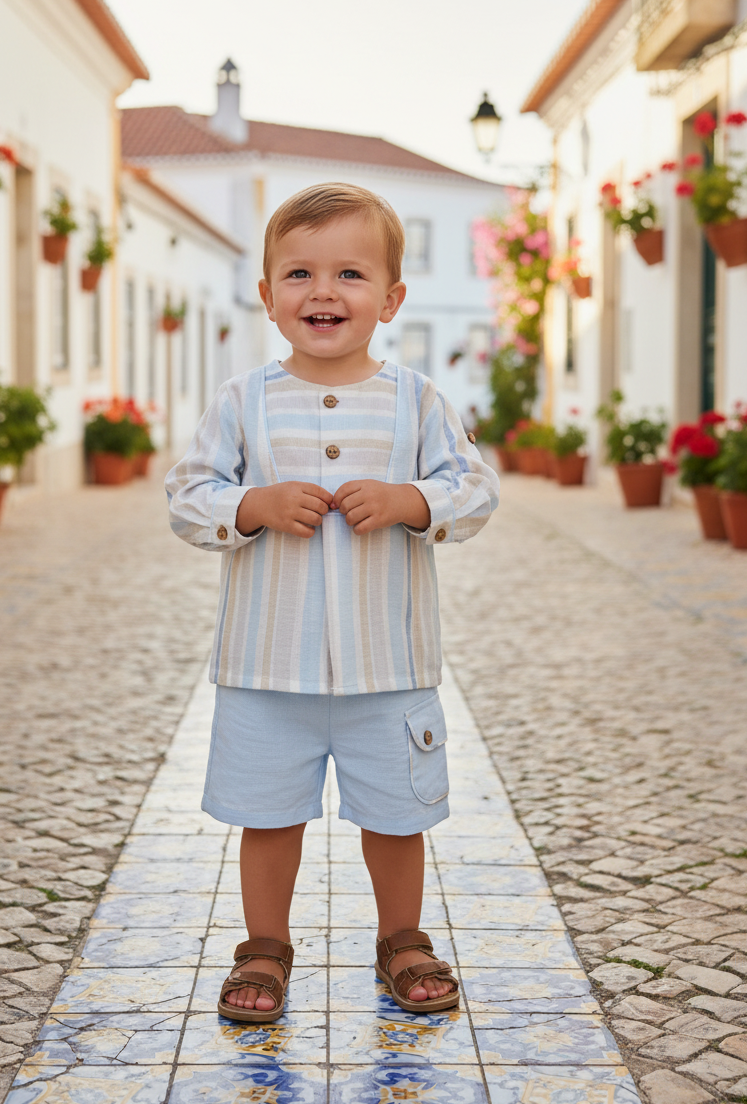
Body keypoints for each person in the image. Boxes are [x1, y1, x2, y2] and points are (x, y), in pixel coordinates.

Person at [165, 182, 499, 1024]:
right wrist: (251, 506)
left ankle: (402, 939)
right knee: (267, 815)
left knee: (394, 815)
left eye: (349, 273)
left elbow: (474, 488)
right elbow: (187, 495)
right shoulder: (242, 400)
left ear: (390, 298)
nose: (323, 291)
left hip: (388, 665)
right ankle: (263, 947)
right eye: (299, 274)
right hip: (265, 665)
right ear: (267, 295)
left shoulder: (416, 399)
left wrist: (410, 499)